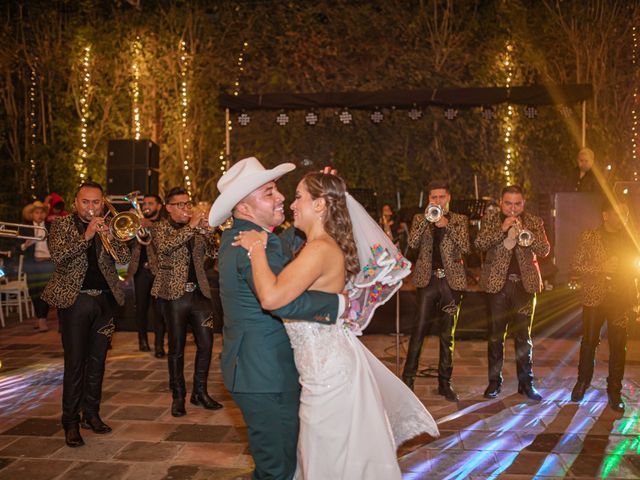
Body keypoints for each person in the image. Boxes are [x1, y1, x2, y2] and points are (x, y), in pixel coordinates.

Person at [230, 169, 439, 479]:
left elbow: (272, 297)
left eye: (299, 197)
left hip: (328, 377)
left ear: (319, 205)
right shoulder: (314, 246)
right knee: (325, 458)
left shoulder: (320, 249)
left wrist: (256, 248)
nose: (292, 204)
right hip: (321, 370)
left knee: (328, 458)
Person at [210, 158, 351, 480]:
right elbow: (279, 302)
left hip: (253, 367)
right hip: (265, 373)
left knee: (280, 460)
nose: (282, 198)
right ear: (245, 208)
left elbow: (285, 250)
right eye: (269, 192)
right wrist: (339, 304)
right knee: (278, 469)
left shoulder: (247, 237)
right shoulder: (253, 246)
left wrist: (319, 206)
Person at [41, 181, 131, 448]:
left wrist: (113, 238)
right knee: (75, 363)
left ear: (102, 203)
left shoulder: (109, 224)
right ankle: (70, 421)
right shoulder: (61, 225)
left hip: (104, 300)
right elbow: (59, 257)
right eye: (85, 202)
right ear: (75, 202)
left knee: (98, 362)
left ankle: (91, 414)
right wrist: (87, 236)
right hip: (75, 301)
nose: (91, 207)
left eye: (95, 202)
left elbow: (124, 258)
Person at [474, 185, 550, 401]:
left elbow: (544, 250)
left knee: (523, 337)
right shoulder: (490, 219)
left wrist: (528, 236)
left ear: (523, 203)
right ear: (501, 202)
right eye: (508, 203)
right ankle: (493, 383)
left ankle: (526, 384)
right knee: (496, 336)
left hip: (524, 286)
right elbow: (479, 243)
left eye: (517, 204)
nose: (513, 208)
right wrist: (502, 229)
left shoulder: (534, 221)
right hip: (498, 286)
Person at [151, 187, 222, 417]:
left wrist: (209, 233)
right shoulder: (160, 228)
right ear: (168, 207)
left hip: (199, 293)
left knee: (206, 344)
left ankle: (199, 392)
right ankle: (178, 395)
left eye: (187, 203)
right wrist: (191, 226)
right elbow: (165, 247)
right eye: (180, 204)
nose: (186, 208)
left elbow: (212, 254)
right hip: (174, 294)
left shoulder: (197, 228)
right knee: (176, 348)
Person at [401, 180, 470, 401]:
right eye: (433, 198)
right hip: (427, 281)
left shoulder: (459, 220)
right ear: (428, 199)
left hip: (450, 284)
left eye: (441, 197)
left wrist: (445, 224)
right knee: (418, 332)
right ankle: (407, 380)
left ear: (448, 198)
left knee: (446, 335)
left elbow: (466, 247)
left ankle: (444, 383)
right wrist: (427, 222)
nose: (437, 201)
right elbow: (411, 243)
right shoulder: (420, 219)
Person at [570, 200, 637, 412]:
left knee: (618, 345)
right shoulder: (590, 236)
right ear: (605, 215)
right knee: (589, 341)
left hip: (620, 298)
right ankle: (582, 383)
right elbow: (575, 264)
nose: (622, 217)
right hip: (594, 298)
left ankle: (614, 391)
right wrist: (601, 268)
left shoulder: (630, 238)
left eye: (625, 213)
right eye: (618, 213)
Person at [124, 193, 165, 356]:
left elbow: (163, 243)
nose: (146, 206)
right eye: (144, 203)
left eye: (150, 203)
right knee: (140, 308)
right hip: (139, 270)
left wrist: (150, 226)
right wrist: (132, 224)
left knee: (159, 310)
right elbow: (125, 242)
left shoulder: (163, 224)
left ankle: (160, 345)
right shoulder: (137, 222)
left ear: (159, 206)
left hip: (158, 271)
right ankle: (142, 340)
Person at [18, 201, 54, 332]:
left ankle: (42, 319)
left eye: (42, 212)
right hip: (32, 264)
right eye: (37, 212)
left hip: (48, 263)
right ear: (31, 214)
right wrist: (25, 245)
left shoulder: (50, 226)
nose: (40, 215)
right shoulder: (25, 228)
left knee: (45, 292)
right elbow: (17, 247)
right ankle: (39, 316)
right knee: (33, 292)